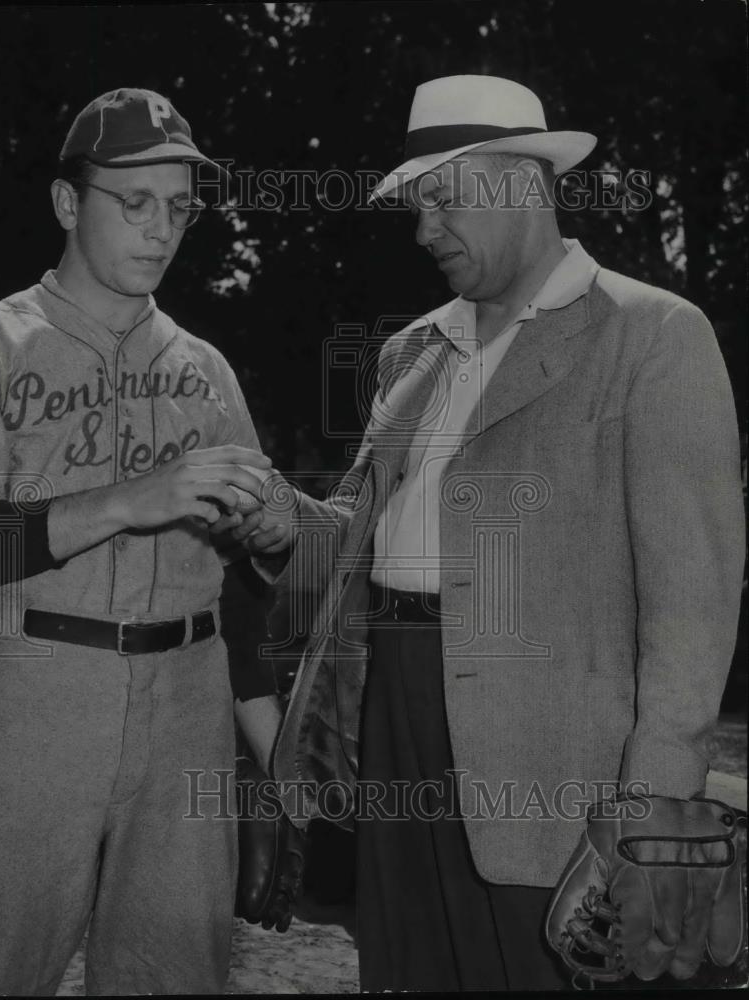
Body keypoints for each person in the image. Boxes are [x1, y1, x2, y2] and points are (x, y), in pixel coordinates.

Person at [236, 75, 745, 990]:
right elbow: (356, 546)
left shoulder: (653, 336)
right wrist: (277, 517)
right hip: (392, 730)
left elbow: (692, 612)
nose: (424, 226)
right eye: (416, 204)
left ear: (521, 181)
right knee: (406, 971)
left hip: (556, 775)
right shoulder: (412, 351)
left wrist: (650, 811)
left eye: (442, 196)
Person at [0, 87, 285, 996]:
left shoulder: (207, 369)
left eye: (180, 209)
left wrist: (275, 749)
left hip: (188, 714)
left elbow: (241, 594)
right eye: (134, 202)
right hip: (30, 700)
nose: (161, 230)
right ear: (68, 203)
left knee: (175, 978)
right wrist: (124, 501)